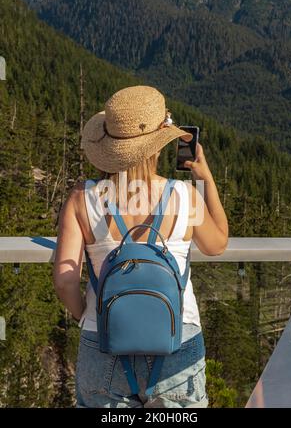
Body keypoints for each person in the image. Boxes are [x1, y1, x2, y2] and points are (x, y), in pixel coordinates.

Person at [53, 85, 228, 408]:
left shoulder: (82, 197)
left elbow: (65, 280)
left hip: (103, 340)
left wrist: (89, 316)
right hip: (178, 338)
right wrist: (204, 178)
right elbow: (217, 243)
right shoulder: (183, 195)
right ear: (159, 144)